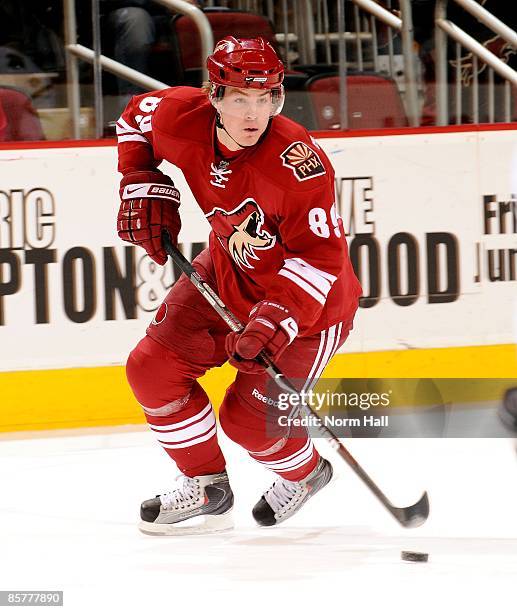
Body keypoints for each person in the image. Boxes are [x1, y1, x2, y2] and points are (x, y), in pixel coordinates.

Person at [115, 36, 362, 535]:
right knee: (152, 369)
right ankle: (207, 485)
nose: (254, 114)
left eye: (266, 98)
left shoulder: (297, 165)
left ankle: (307, 472)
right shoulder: (179, 116)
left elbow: (322, 259)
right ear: (214, 95)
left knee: (248, 424)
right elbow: (134, 119)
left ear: (278, 99)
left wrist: (276, 318)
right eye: (240, 99)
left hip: (309, 308)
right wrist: (139, 181)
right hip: (227, 271)